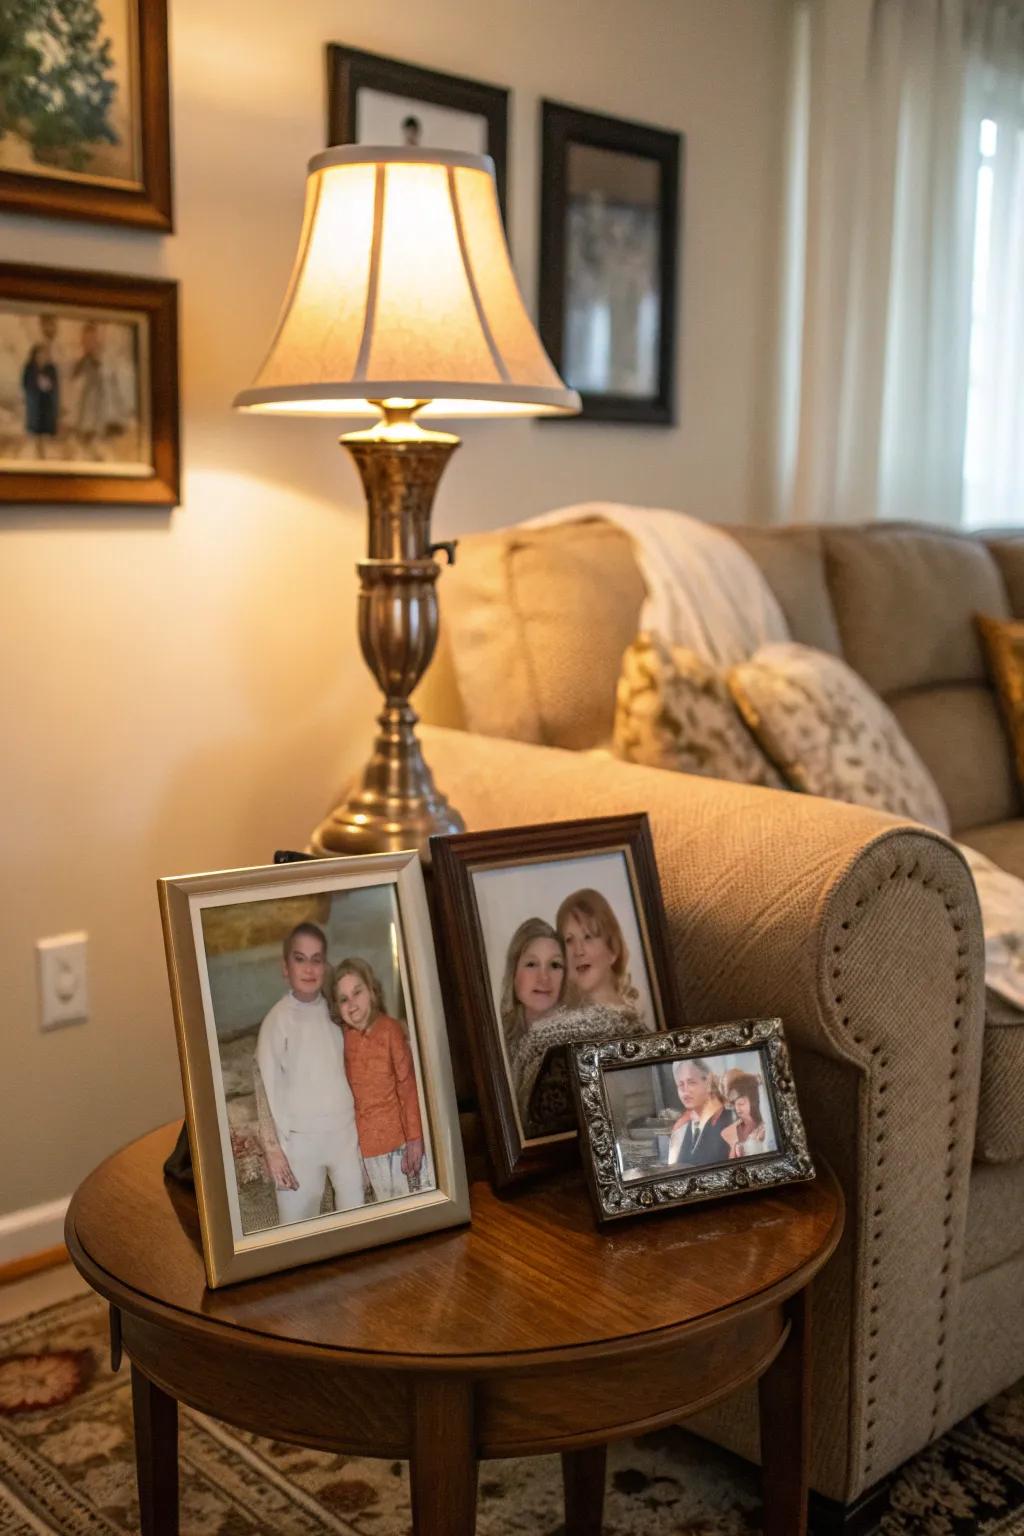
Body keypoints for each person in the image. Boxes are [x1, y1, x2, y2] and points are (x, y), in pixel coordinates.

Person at [254, 923, 364, 1224]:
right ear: (285, 967)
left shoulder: (337, 1012)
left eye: (317, 960)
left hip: (344, 1133)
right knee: (297, 1223)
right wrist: (273, 1150)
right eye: (300, 959)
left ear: (325, 966)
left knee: (355, 1216)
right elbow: (263, 1086)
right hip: (300, 1141)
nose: (309, 968)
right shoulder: (277, 1020)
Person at [334, 957, 425, 1203]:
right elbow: (349, 1101)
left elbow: (407, 1087)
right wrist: (358, 1156)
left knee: (415, 1205)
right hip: (370, 1149)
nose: (352, 1004)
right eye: (343, 999)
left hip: (402, 1143)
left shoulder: (390, 1029)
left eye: (357, 993)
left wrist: (415, 1138)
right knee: (389, 1209)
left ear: (372, 992)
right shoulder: (343, 1040)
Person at [557, 888, 642, 1013]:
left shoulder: (629, 1018)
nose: (578, 951)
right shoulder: (562, 1017)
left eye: (588, 937)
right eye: (569, 940)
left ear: (612, 949)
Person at [666, 1058, 735, 1168]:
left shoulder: (733, 1120)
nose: (685, 1090)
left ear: (708, 1083)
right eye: (680, 1085)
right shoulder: (680, 1129)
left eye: (691, 1083)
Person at [721, 1068, 776, 1158]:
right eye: (734, 1104)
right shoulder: (729, 1131)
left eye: (741, 1103)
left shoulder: (768, 1122)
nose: (737, 1108)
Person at [21, 341, 59, 459]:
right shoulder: (29, 367)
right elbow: (25, 383)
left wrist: (48, 385)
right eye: (39, 354)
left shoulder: (51, 368)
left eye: (43, 354)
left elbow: (55, 384)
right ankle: (36, 454)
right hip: (34, 401)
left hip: (47, 402)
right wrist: (36, 384)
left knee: (46, 430)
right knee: (35, 430)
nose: (41, 357)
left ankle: (46, 456)